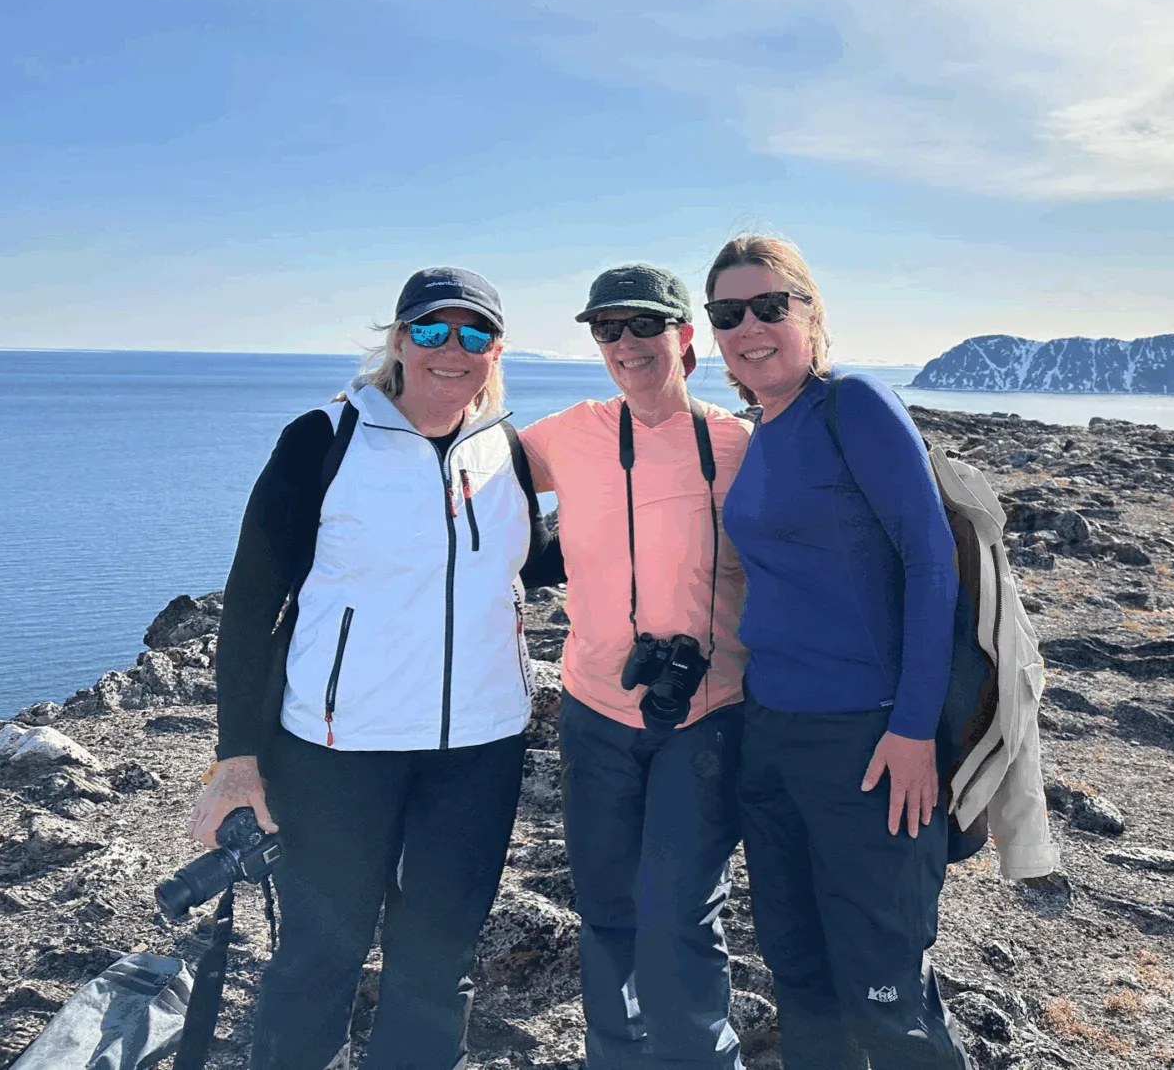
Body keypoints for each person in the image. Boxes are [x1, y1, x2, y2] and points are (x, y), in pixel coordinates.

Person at [188, 267, 562, 1070]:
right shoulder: (323, 439)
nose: (451, 349)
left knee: (438, 966)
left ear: (497, 351)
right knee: (320, 958)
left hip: (480, 748)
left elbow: (528, 565)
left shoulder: (506, 453)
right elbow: (251, 605)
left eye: (474, 334)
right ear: (397, 341)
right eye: (431, 330)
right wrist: (236, 760)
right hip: (335, 750)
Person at [705, 236, 972, 1069]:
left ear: (811, 313)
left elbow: (932, 562)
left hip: (868, 740)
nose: (749, 327)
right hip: (772, 736)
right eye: (727, 314)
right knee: (802, 981)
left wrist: (914, 728)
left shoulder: (853, 402)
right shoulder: (763, 430)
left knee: (886, 995)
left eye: (769, 306)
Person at [519, 264, 753, 1069]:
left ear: (686, 338)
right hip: (595, 711)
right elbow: (462, 466)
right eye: (607, 329)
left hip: (708, 715)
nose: (626, 344)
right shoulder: (568, 434)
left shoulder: (737, 445)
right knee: (608, 911)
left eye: (645, 326)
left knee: (683, 916)